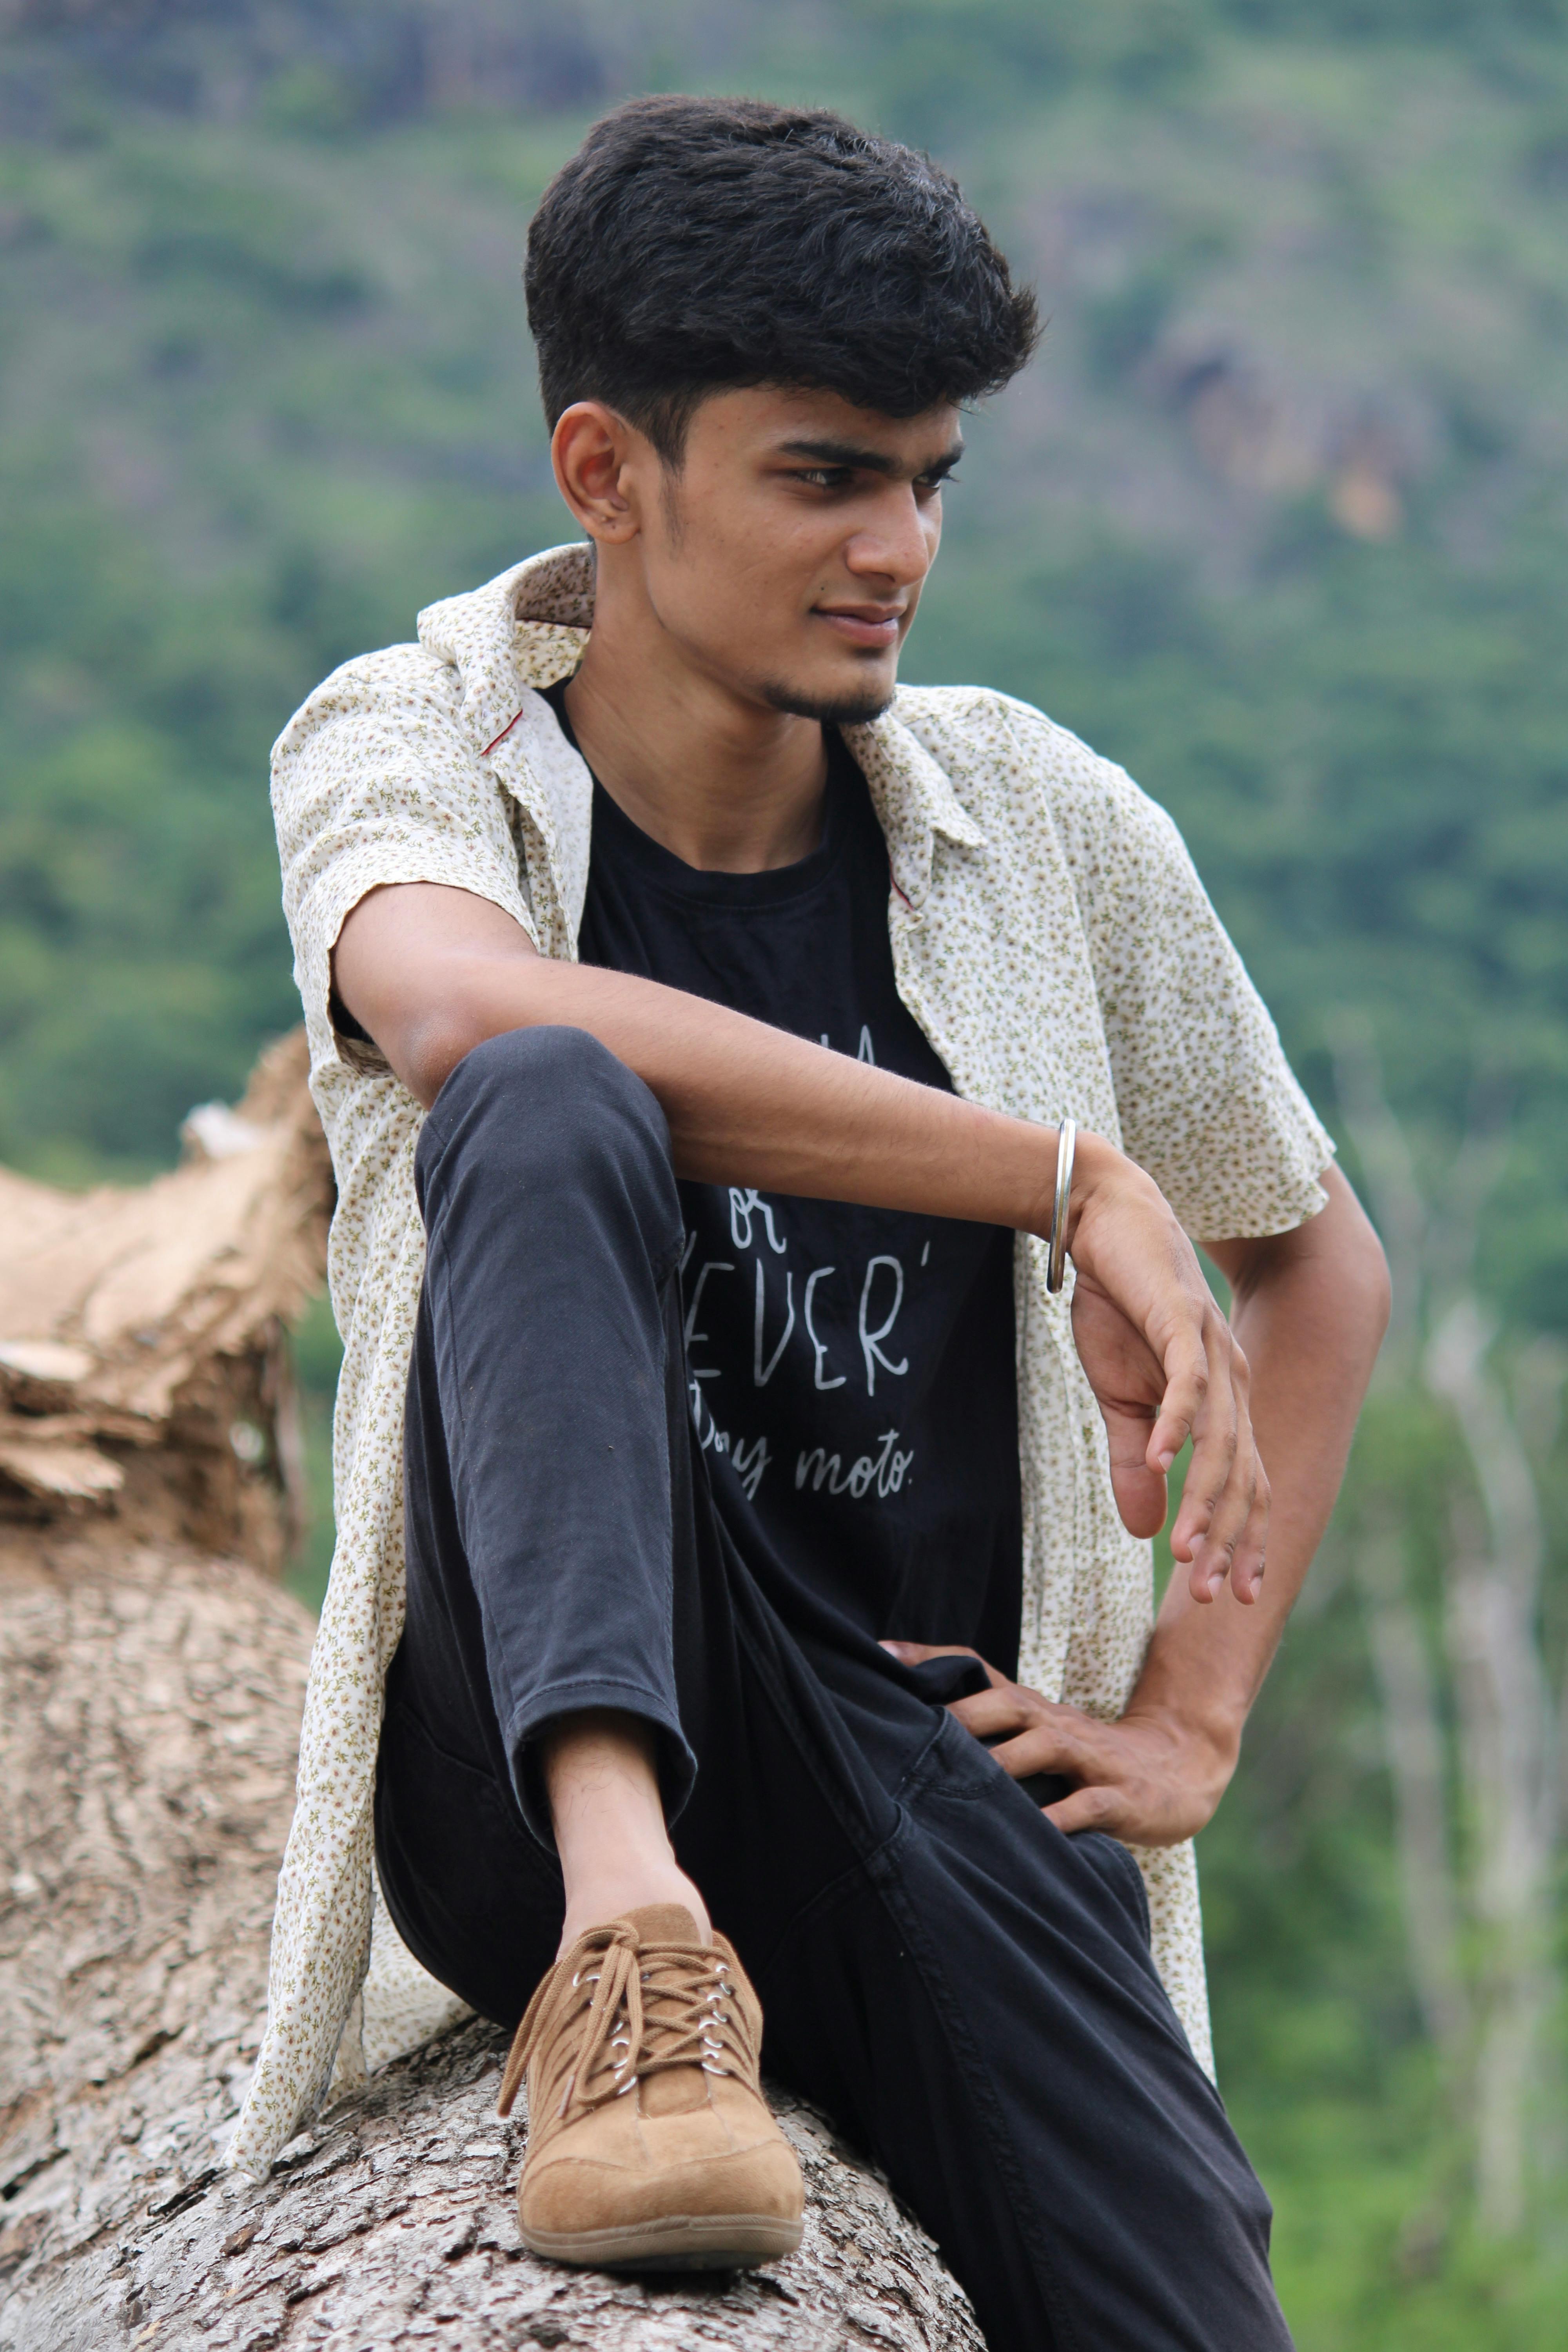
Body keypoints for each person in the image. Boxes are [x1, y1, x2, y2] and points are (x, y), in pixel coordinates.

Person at [234, 96, 1390, 2350]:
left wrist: (1196, 1716)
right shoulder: (411, 745)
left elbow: (1318, 1265)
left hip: (931, 1757)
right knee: (553, 1093)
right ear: (607, 471)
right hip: (534, 1757)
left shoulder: (1039, 821)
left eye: (930, 479)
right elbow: (461, 1013)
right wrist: (1065, 1178)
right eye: (824, 477)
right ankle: (633, 1945)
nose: (899, 547)